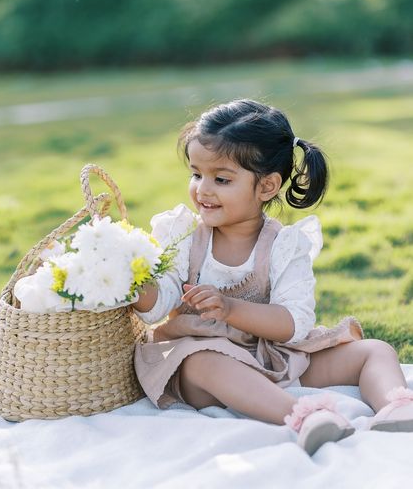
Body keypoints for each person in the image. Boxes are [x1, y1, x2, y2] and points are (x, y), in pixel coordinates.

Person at [131, 99, 413, 455]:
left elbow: (294, 323)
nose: (202, 189)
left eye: (221, 179)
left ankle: (397, 406)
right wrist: (139, 288)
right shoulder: (183, 234)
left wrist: (231, 308)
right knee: (203, 361)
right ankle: (301, 415)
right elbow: (161, 304)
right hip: (205, 359)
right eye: (196, 174)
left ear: (266, 187)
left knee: (375, 350)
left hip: (273, 355)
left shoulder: (285, 246)